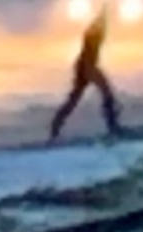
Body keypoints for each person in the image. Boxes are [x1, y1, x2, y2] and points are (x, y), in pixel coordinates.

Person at [50, 8, 123, 141]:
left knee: (75, 99)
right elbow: (90, 39)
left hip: (85, 65)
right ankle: (113, 127)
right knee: (106, 93)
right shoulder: (93, 32)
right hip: (87, 65)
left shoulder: (97, 30)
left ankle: (55, 128)